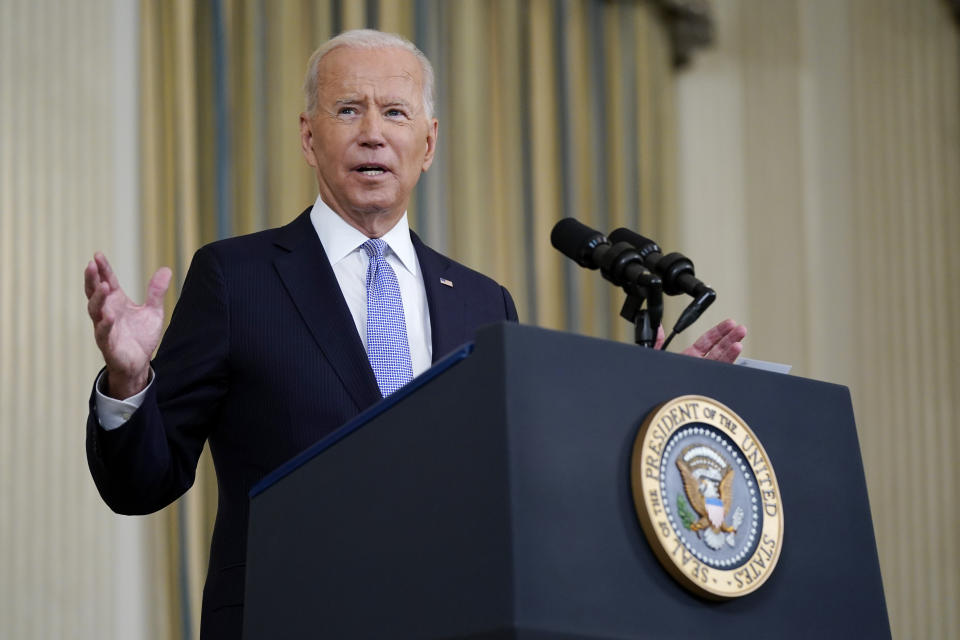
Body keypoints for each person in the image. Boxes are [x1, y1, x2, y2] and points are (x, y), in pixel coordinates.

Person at [83, 29, 745, 639]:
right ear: (309, 138)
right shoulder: (237, 278)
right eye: (348, 109)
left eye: (395, 113)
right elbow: (142, 483)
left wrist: (647, 401)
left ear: (427, 145)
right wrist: (130, 380)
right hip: (288, 619)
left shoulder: (485, 303)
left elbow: (531, 488)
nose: (372, 133)